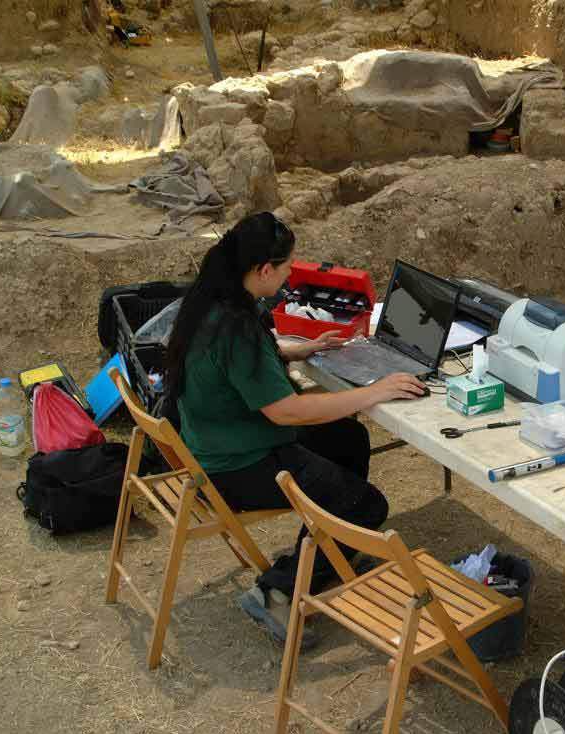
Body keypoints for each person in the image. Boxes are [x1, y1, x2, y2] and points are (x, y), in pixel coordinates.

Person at [165, 212, 427, 643]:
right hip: (235, 464)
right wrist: (374, 391)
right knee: (367, 507)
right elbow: (286, 411)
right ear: (263, 269)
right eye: (286, 267)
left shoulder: (214, 299)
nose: (289, 277)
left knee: (348, 438)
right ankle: (275, 591)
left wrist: (300, 350)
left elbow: (237, 367)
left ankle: (330, 546)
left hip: (217, 440)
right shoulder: (236, 325)